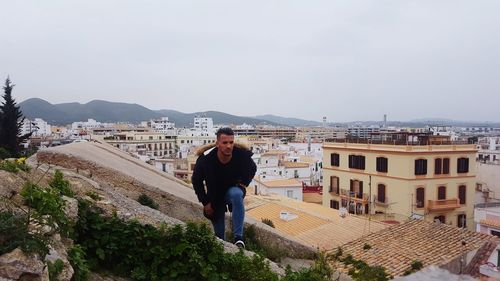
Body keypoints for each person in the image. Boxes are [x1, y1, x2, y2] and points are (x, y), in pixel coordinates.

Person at [192, 127, 256, 248]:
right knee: (220, 238)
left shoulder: (241, 154)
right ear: (217, 144)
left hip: (232, 190)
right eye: (225, 142)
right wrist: (205, 202)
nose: (228, 146)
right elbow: (196, 181)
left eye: (231, 142)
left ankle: (238, 238)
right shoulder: (206, 159)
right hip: (215, 196)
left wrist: (244, 183)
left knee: (237, 194)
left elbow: (252, 168)